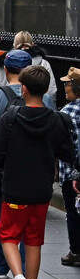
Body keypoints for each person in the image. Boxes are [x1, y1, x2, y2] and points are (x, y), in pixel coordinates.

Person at [0, 66, 79, 279]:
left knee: (8, 236)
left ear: (25, 89)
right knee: (33, 241)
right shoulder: (57, 120)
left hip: (15, 189)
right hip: (41, 192)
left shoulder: (11, 117)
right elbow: (68, 154)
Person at [0, 49, 56, 279]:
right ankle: (22, 270)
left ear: (5, 69)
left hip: (3, 170)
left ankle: (0, 268)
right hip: (36, 171)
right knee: (31, 228)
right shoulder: (46, 100)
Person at [58, 67, 80, 268]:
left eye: (68, 84)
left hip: (70, 171)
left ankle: (75, 251)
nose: (65, 87)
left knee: (73, 212)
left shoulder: (67, 112)